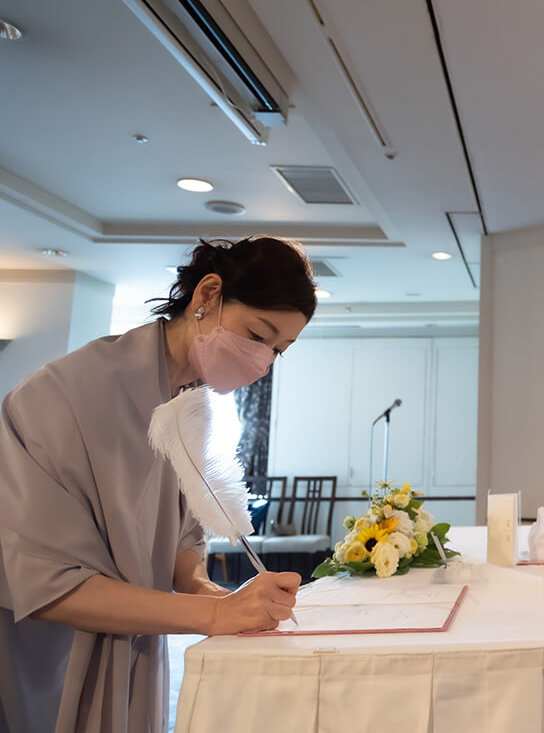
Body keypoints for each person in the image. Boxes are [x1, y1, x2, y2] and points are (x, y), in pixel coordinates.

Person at [0, 237, 316, 733]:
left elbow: (177, 537)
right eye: (259, 335)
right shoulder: (64, 395)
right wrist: (212, 616)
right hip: (51, 661)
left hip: (139, 645)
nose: (263, 360)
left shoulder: (190, 405)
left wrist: (206, 590)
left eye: (280, 350)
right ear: (206, 294)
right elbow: (47, 585)